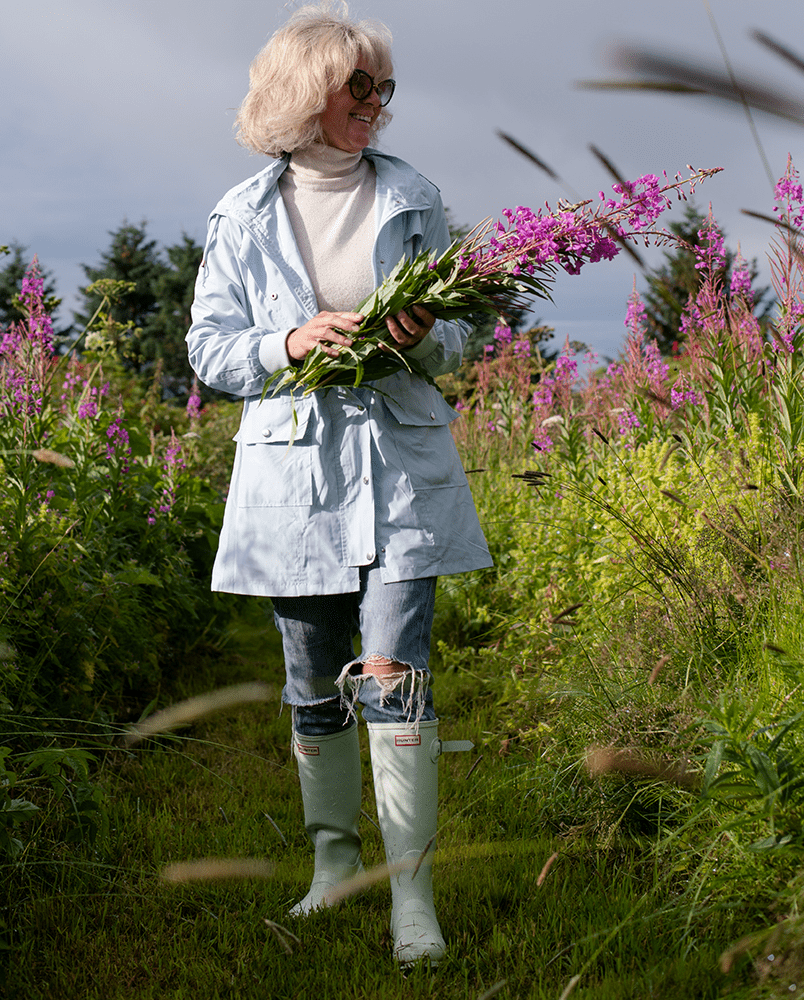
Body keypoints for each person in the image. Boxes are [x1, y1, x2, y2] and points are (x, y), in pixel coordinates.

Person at [186, 2, 491, 966]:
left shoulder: (414, 197)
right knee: (314, 679)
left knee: (397, 673)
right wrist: (288, 341)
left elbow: (462, 334)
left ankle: (413, 897)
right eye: (359, 85)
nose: (376, 103)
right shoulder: (240, 215)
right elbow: (208, 349)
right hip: (296, 472)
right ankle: (333, 865)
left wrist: (424, 338)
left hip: (400, 465)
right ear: (304, 91)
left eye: (383, 86)